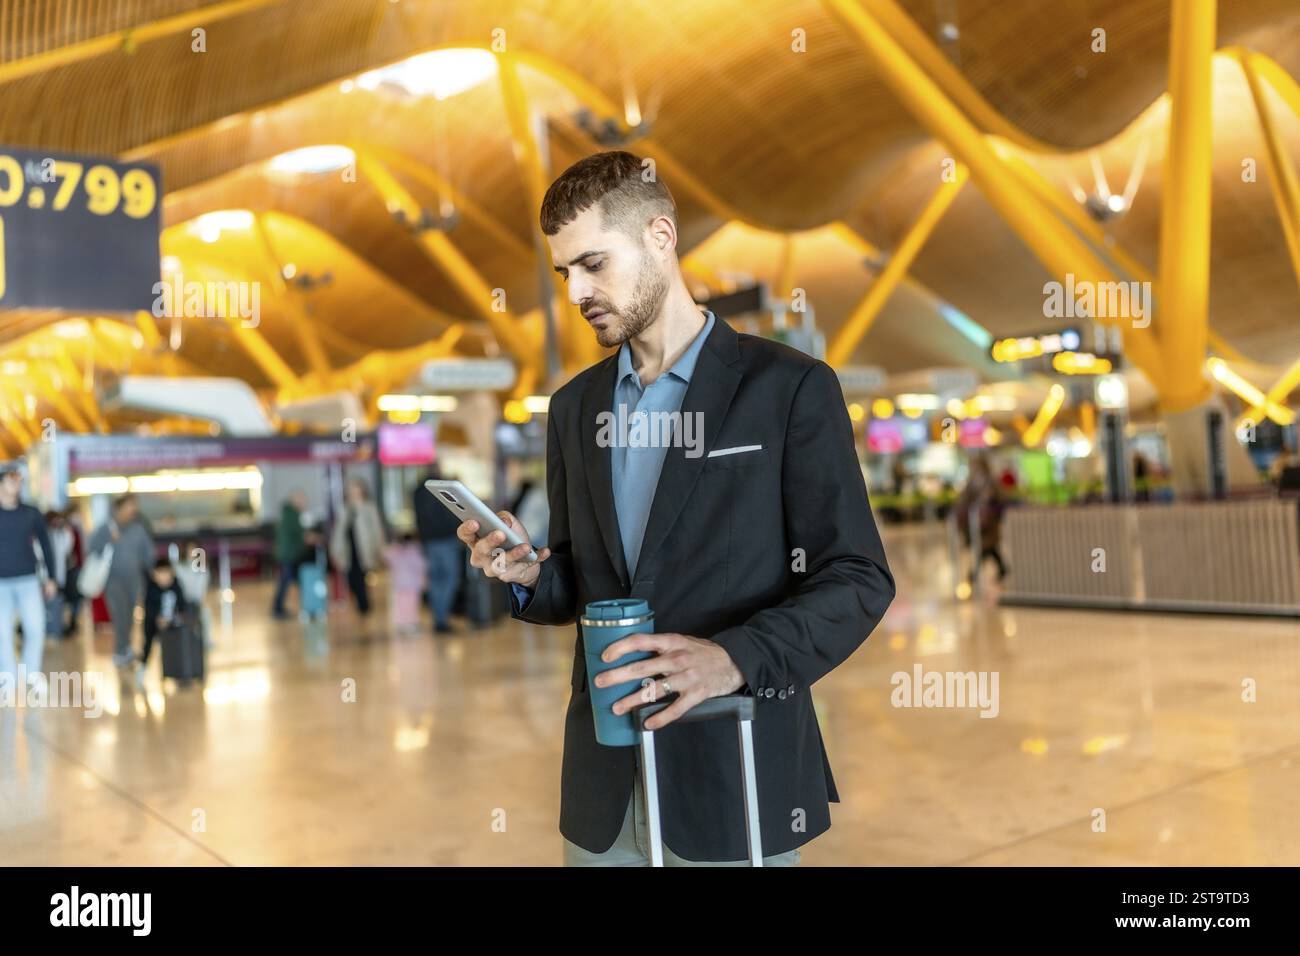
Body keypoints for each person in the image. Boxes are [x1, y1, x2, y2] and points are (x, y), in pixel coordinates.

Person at [455, 151, 895, 866]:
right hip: (604, 786)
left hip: (735, 770)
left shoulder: (786, 388)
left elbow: (856, 577)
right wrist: (530, 573)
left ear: (660, 236)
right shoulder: (575, 409)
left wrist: (733, 659)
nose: (576, 292)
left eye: (594, 263)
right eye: (565, 272)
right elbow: (581, 580)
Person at [0, 467, 58, 691]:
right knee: (2, 633)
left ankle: (32, 675)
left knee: (35, 628)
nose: (17, 484)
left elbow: (46, 545)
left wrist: (51, 578)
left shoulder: (31, 513)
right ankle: (7, 677)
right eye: (11, 479)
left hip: (28, 580)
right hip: (1, 584)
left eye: (19, 480)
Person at [86, 494, 155, 671]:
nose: (132, 510)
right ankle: (119, 650)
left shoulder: (138, 529)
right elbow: (91, 548)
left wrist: (153, 570)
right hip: (112, 580)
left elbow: (149, 553)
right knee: (119, 615)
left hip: (133, 580)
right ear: (118, 509)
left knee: (130, 615)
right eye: (129, 506)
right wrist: (109, 541)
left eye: (134, 507)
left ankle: (126, 648)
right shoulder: (106, 529)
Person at [413, 467, 465, 634]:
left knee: (435, 580)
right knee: (450, 579)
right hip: (447, 540)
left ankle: (438, 618)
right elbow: (453, 513)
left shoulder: (418, 492)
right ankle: (442, 619)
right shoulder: (444, 489)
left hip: (429, 542)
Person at [330, 478, 385, 617]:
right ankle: (362, 604)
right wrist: (335, 549)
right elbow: (338, 530)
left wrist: (379, 547)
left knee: (362, 577)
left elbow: (377, 529)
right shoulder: (344, 508)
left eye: (356, 489)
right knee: (351, 579)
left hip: (364, 549)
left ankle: (364, 607)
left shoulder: (369, 507)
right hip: (349, 549)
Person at [954, 455, 1007, 583]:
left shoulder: (990, 481)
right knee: (987, 548)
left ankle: (973, 575)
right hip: (975, 521)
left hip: (987, 522)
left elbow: (997, 497)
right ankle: (1000, 569)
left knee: (985, 548)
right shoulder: (972, 481)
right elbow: (965, 497)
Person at [141, 557, 187, 679]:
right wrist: (157, 619)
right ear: (154, 575)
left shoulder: (176, 586)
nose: (164, 577)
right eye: (160, 574)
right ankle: (142, 669)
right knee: (148, 645)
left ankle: (174, 671)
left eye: (166, 573)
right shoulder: (151, 589)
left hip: (172, 624)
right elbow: (149, 608)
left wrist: (176, 617)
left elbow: (182, 605)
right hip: (153, 624)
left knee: (173, 646)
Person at [271, 491, 307, 619]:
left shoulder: (286, 513)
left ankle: (279, 608)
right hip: (288, 555)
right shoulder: (292, 514)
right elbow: (300, 533)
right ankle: (278, 609)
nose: (304, 503)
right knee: (285, 582)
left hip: (286, 554)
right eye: (302, 500)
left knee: (285, 582)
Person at [384, 532, 426, 635]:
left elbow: (384, 555)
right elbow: (421, 566)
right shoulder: (414, 552)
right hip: (412, 585)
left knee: (400, 605)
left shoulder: (394, 552)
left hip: (399, 585)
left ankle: (400, 624)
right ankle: (411, 624)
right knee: (411, 606)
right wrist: (423, 581)